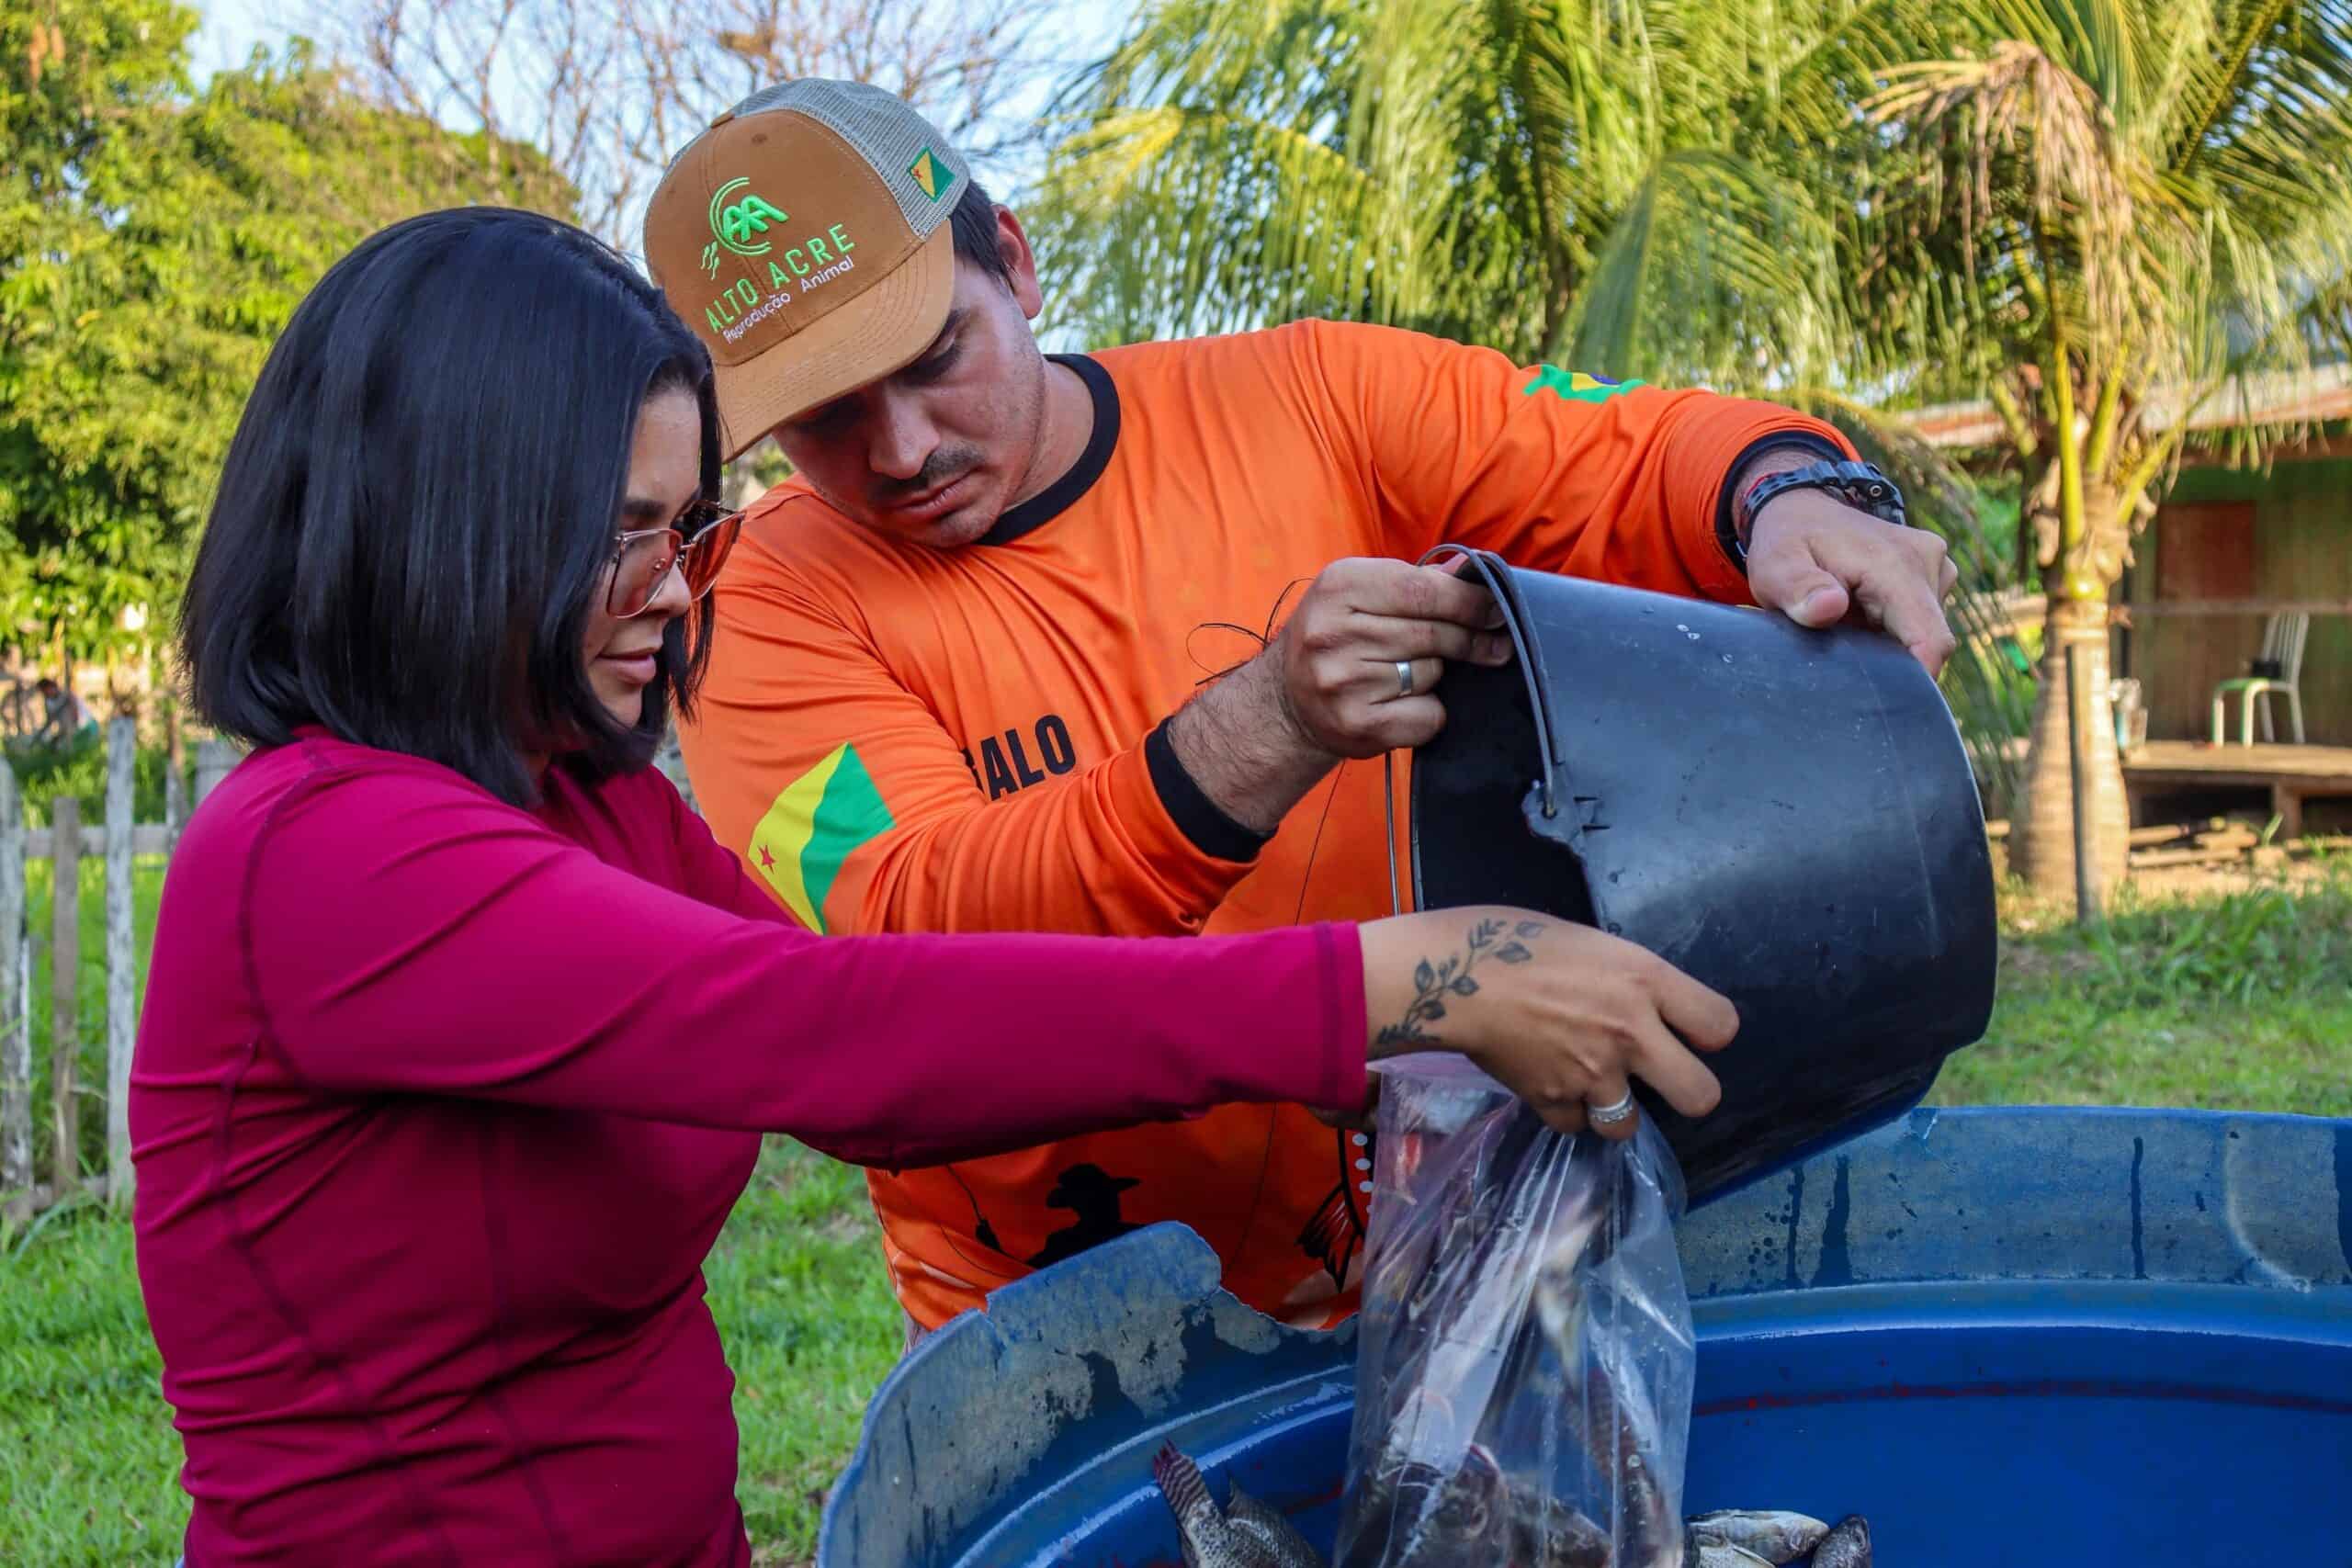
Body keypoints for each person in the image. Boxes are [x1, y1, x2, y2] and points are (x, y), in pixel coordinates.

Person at [130, 207, 1739, 1567]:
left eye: (685, 531)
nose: (672, 593)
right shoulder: (323, 853)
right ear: (447, 527)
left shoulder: (581, 799)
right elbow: (830, 1031)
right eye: (620, 537)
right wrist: (1409, 983)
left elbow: (912, 1033)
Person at [643, 80, 1962, 1337]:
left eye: (937, 355)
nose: (902, 449)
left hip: (1470, 1238)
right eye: (821, 417)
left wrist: (1788, 496)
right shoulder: (755, 604)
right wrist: (1258, 729)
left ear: (1016, 262)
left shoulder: (1306, 398)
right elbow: (910, 959)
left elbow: (1626, 459)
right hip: (1074, 1342)